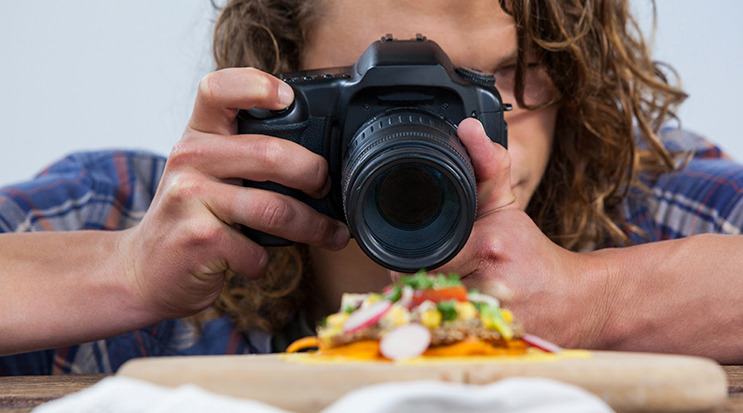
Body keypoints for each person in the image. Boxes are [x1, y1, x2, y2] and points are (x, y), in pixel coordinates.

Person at [2, 0, 743, 375]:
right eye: (376, 96)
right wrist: (119, 270)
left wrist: (601, 296)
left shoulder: (646, 205)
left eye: (496, 86)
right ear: (279, 90)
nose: (439, 140)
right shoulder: (139, 213)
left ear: (569, 77)